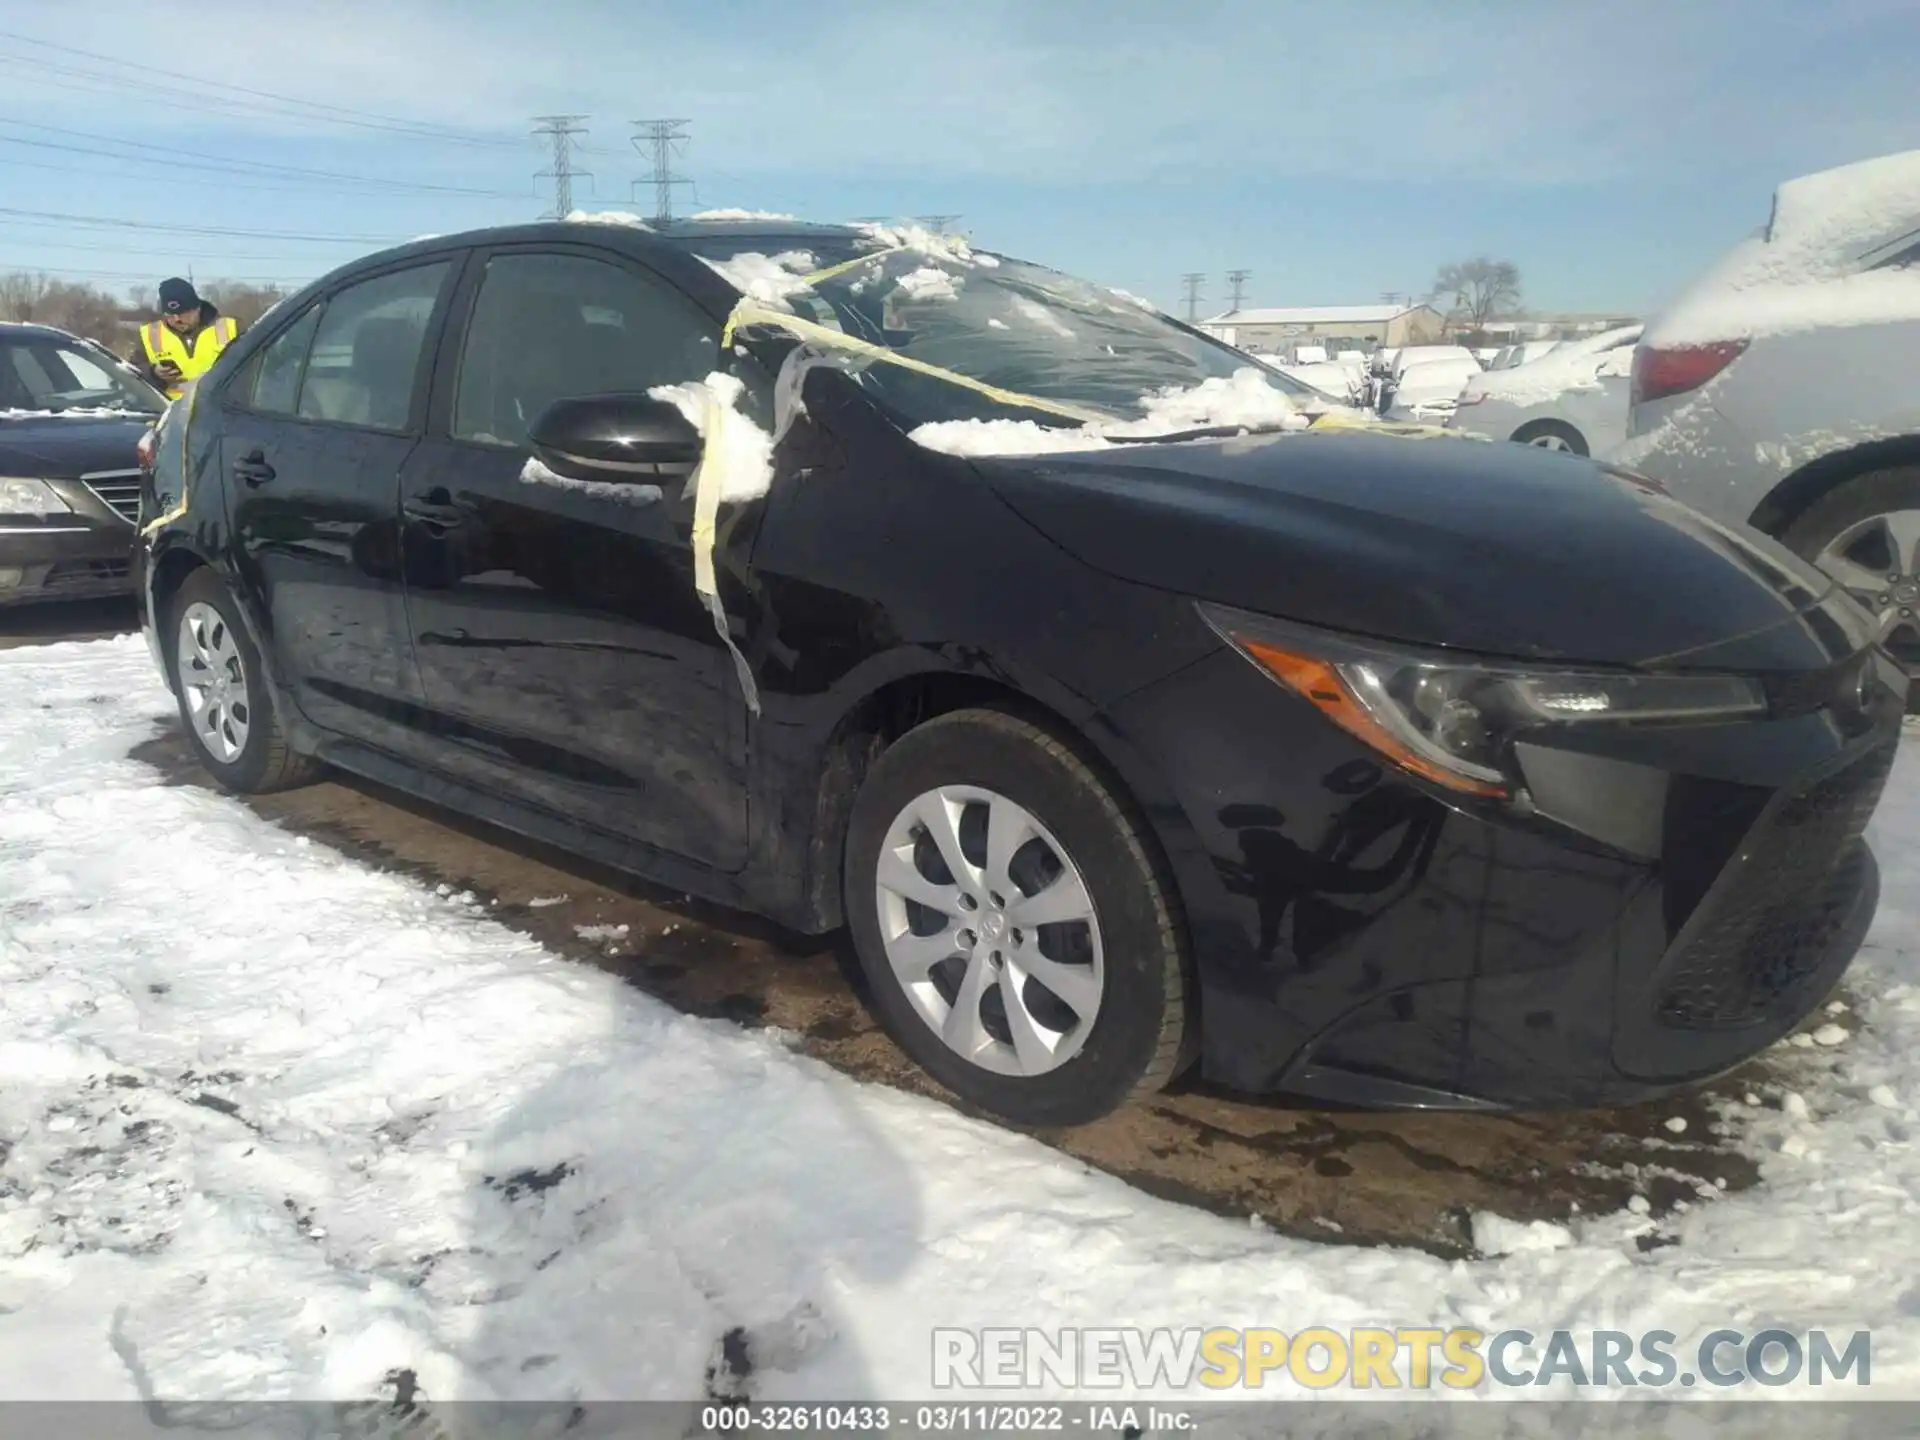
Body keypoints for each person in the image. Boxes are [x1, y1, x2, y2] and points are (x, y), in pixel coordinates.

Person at [130, 278, 239, 400]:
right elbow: (132, 373)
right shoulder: (150, 333)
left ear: (197, 308)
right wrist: (154, 373)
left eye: (183, 313)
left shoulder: (231, 328)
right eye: (170, 314)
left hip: (221, 409)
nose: (177, 319)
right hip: (169, 412)